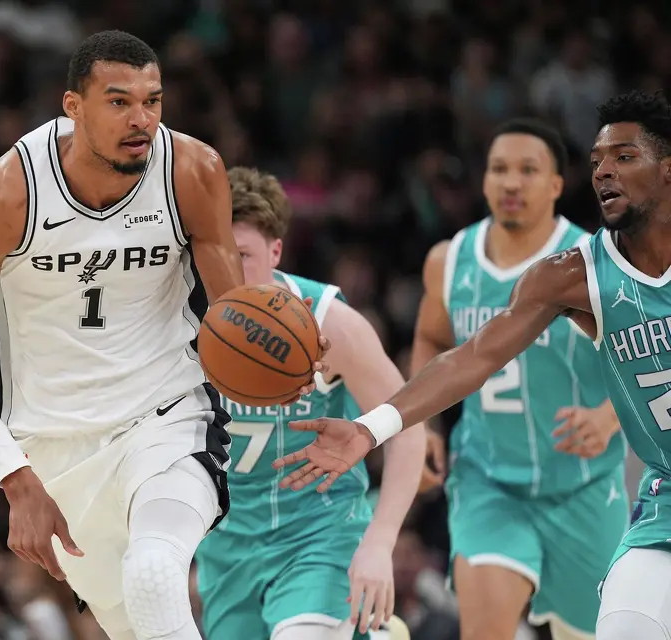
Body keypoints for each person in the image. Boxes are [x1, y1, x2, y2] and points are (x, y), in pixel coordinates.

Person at [0, 30, 321, 640]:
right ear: (72, 106)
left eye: (153, 101)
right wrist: (16, 482)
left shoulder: (191, 170)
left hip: (166, 415)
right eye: (119, 102)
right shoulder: (6, 194)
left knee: (156, 573)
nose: (142, 120)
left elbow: (232, 312)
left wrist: (281, 351)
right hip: (53, 446)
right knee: (135, 626)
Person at [273, 89, 671, 640]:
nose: (605, 171)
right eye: (598, 160)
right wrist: (372, 428)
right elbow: (470, 356)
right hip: (516, 483)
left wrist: (605, 418)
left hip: (583, 485)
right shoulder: (570, 274)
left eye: (625, 157)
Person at [406, 119, 628, 640]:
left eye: (529, 171)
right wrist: (425, 429)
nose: (511, 182)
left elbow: (652, 357)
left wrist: (610, 416)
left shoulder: (598, 263)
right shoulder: (449, 260)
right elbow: (431, 340)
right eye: (500, 169)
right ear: (483, 181)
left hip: (584, 486)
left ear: (556, 185)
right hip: (489, 482)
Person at [193, 168, 424, 640]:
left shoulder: (327, 324)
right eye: (218, 255)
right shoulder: (180, 321)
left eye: (244, 256)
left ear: (276, 251)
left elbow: (408, 427)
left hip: (317, 533)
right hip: (227, 548)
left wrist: (380, 544)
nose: (230, 271)